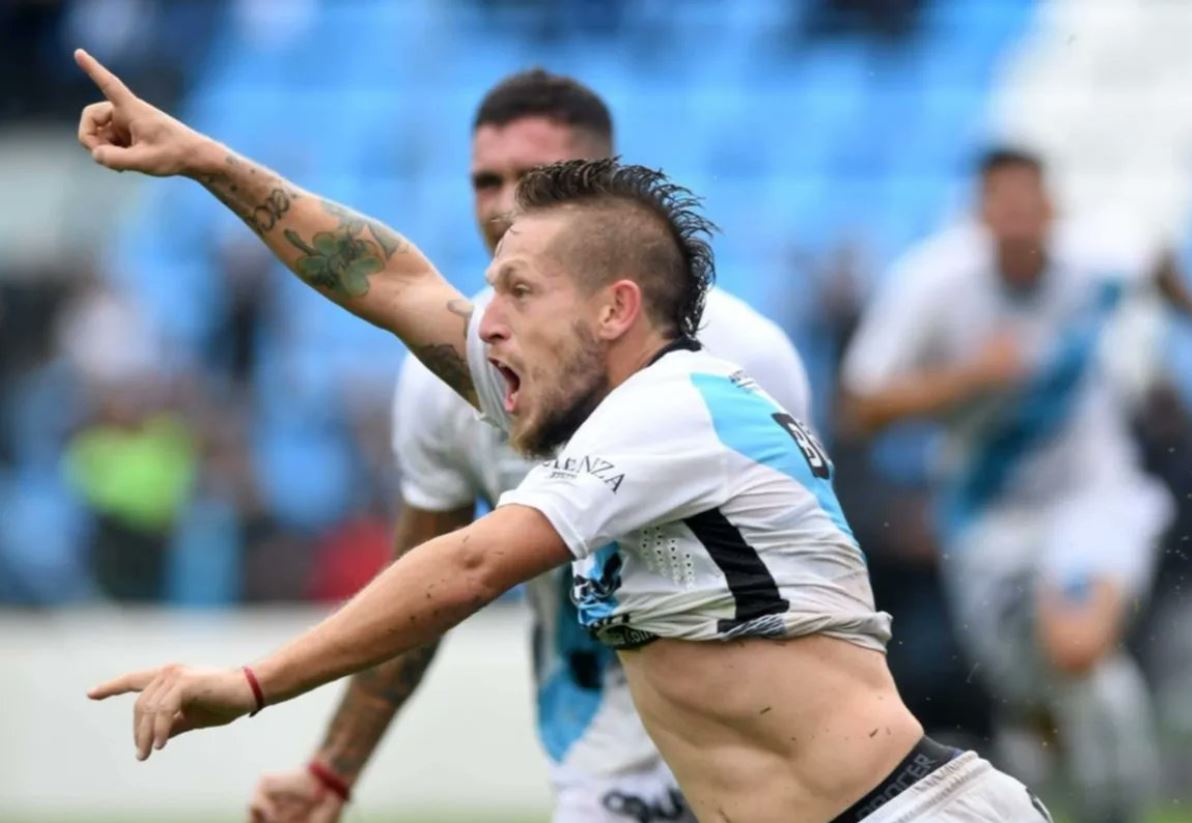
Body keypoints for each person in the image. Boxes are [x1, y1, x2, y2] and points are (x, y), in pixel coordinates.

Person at [75, 49, 1048, 822]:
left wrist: (250, 682)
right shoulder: (596, 393)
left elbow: (468, 566)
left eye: (519, 291)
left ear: (615, 309)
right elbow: (394, 283)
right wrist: (204, 160)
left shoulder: (677, 405)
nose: (487, 319)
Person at [247, 69, 812, 823]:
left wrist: (250, 683)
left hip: (751, 746)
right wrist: (332, 770)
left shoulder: (745, 358)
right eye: (485, 180)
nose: (503, 205)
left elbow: (807, 581)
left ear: (600, 187)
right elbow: (426, 588)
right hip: (600, 760)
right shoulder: (446, 383)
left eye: (533, 178)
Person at [840, 147, 1192, 823]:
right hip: (986, 517)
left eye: (1031, 207)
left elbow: (1154, 260)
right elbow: (859, 407)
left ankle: (1124, 796)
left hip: (1094, 493)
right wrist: (969, 377)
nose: (1020, 223)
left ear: (1053, 208)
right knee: (1036, 696)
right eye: (1003, 209)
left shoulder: (1098, 257)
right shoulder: (931, 284)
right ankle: (1077, 763)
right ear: (980, 217)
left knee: (1076, 645)